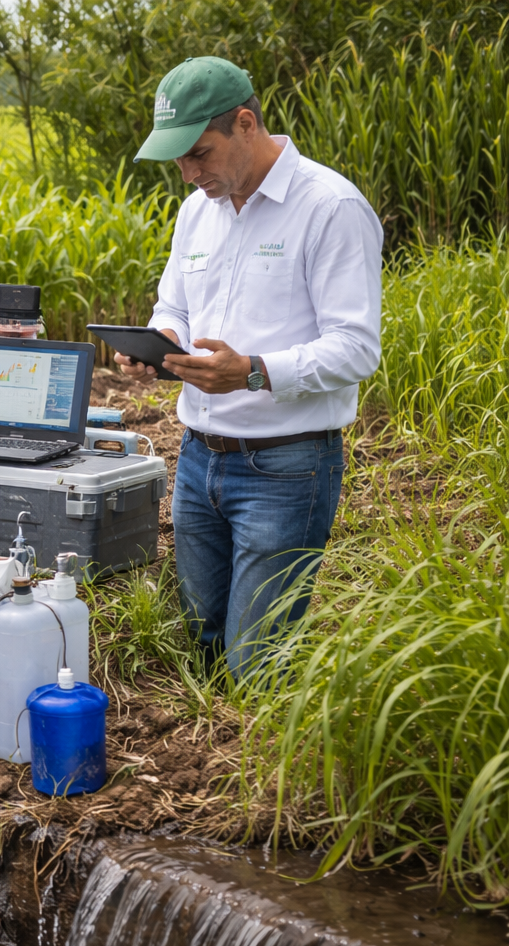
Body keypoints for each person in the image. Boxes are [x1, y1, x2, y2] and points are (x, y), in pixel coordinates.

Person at [120, 57, 383, 675]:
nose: (188, 174)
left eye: (199, 154)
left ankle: (264, 767)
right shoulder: (198, 212)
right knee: (201, 640)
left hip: (286, 467)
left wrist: (253, 372)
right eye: (178, 160)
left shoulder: (329, 207)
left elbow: (355, 347)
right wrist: (162, 339)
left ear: (246, 123)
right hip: (196, 457)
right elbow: (175, 304)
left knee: (255, 663)